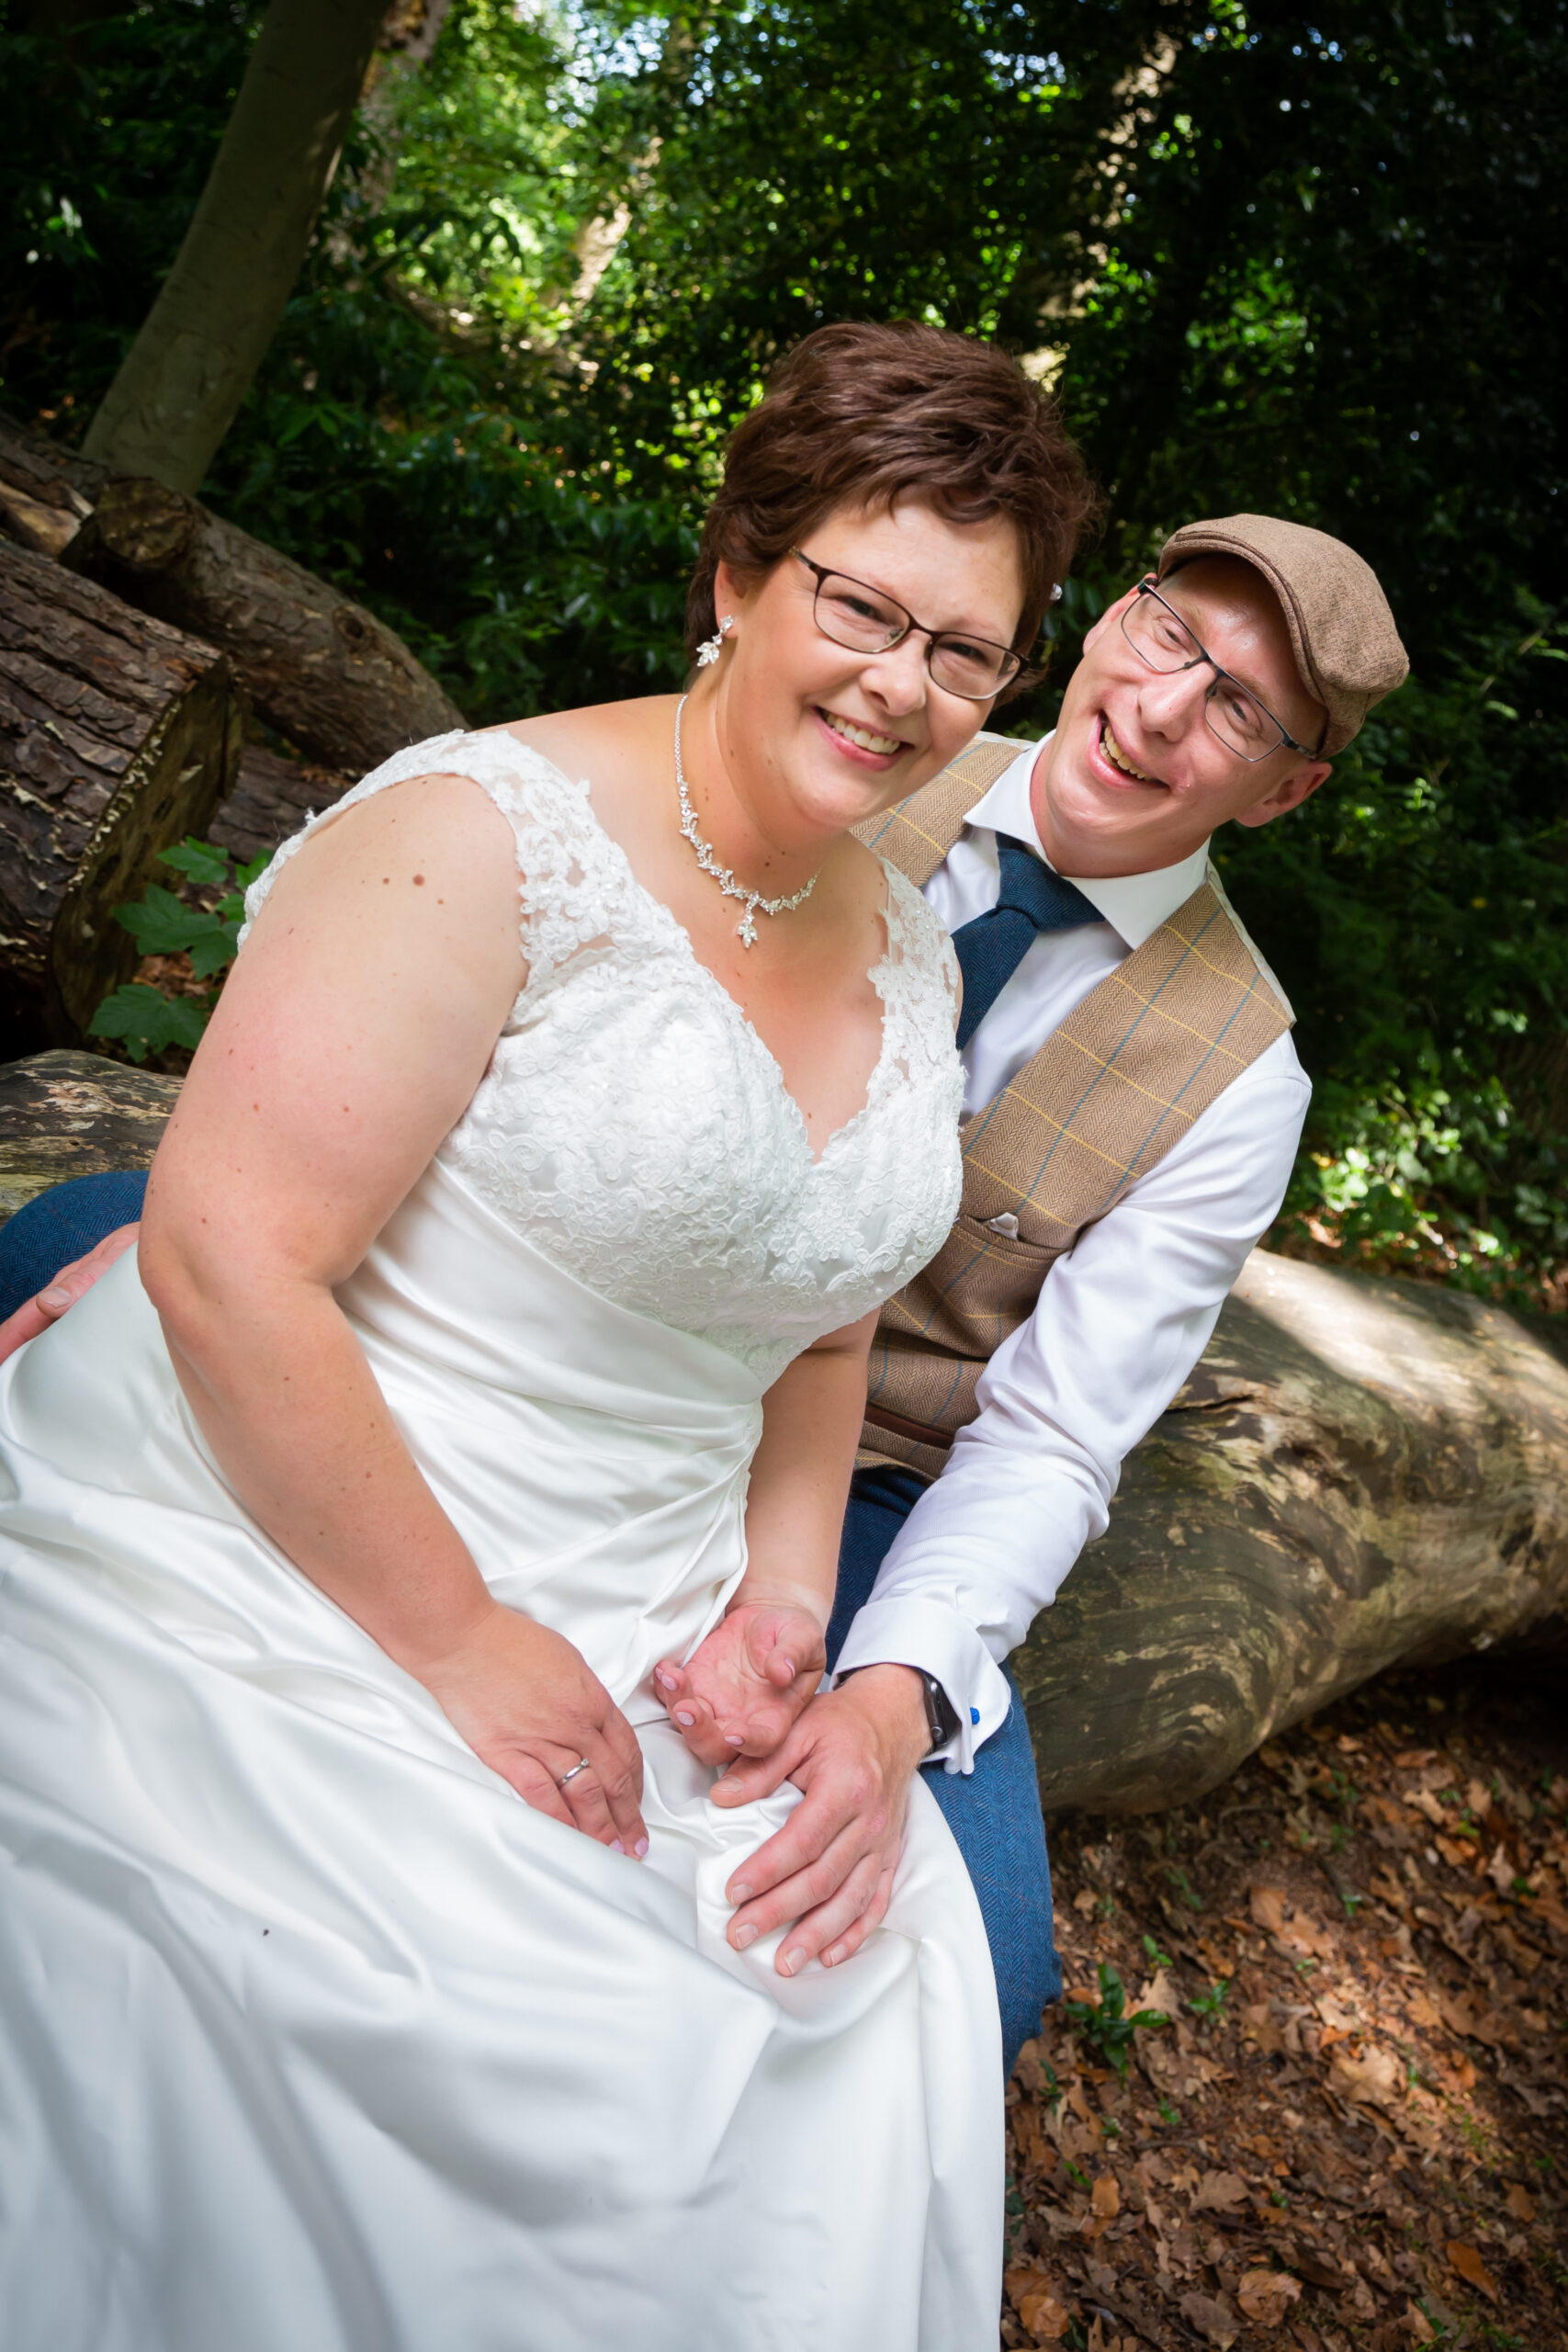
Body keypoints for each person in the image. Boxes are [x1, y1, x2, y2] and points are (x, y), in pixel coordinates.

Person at [0, 320, 1094, 2352]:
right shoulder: (477, 832)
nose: (904, 684)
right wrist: (460, 1643)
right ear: (738, 572)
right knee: (395, 2031)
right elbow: (232, 1257)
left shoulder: (906, 938)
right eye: (863, 607)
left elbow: (822, 1325)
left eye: (966, 651)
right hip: (307, 1525)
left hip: (657, 1589)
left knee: (833, 2012)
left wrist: (784, 1603)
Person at [0, 515, 1410, 2085]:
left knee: (975, 1969)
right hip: (521, 1285)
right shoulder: (846, 725)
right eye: (1170, 637)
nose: (1162, 709)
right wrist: (221, 1217)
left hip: (861, 1465)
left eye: (1241, 710)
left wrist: (886, 1694)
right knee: (84, 1248)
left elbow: (1055, 1442)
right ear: (1101, 625)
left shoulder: (1241, 1081)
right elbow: (473, 956)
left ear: (1286, 790)